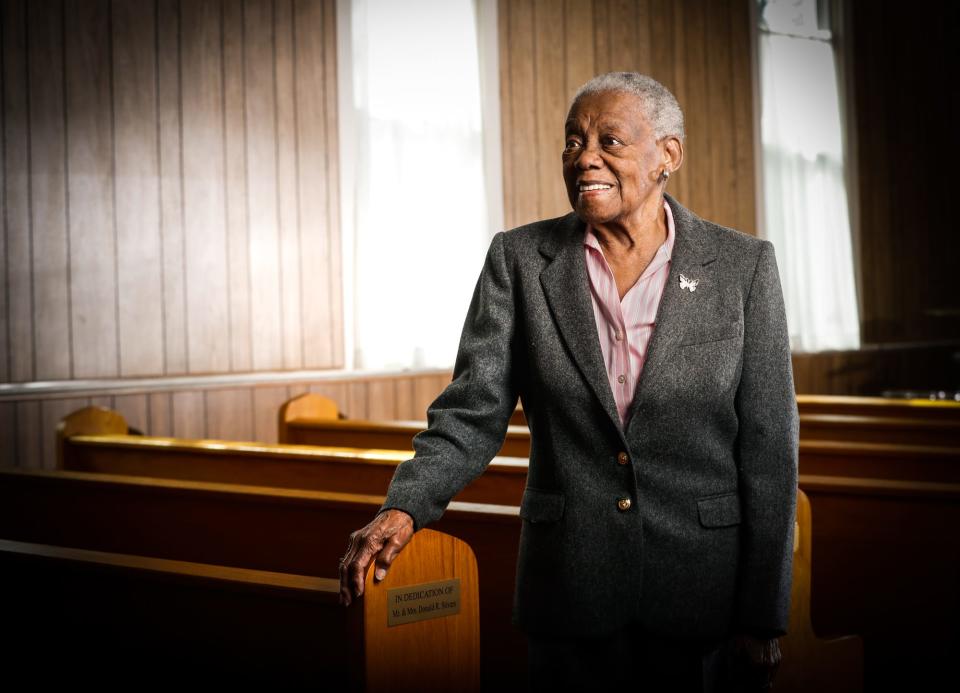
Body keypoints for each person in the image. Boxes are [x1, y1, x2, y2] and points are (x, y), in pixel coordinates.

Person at [338, 72, 798, 692]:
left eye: (610, 141)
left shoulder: (743, 267)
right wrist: (405, 505)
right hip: (569, 587)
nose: (585, 158)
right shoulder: (520, 261)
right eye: (573, 140)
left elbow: (770, 452)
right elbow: (471, 413)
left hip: (701, 592)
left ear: (669, 154)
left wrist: (764, 613)